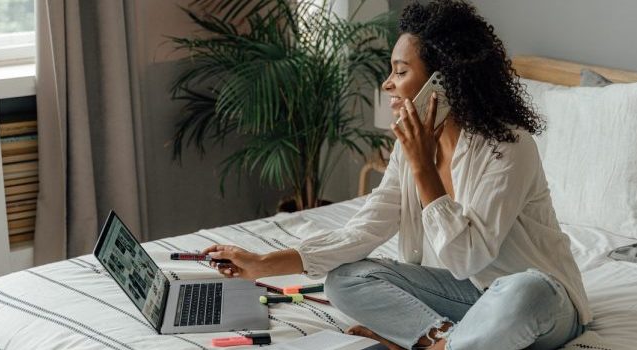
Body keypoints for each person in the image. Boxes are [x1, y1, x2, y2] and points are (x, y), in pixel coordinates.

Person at [202, 1, 591, 349]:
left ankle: (434, 343)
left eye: (400, 71)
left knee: (526, 291)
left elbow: (467, 258)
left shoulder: (506, 146)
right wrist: (262, 262)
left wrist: (424, 168)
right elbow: (364, 230)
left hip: (542, 304)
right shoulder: (410, 149)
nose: (387, 83)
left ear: (444, 82)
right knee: (344, 279)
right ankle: (438, 340)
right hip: (468, 297)